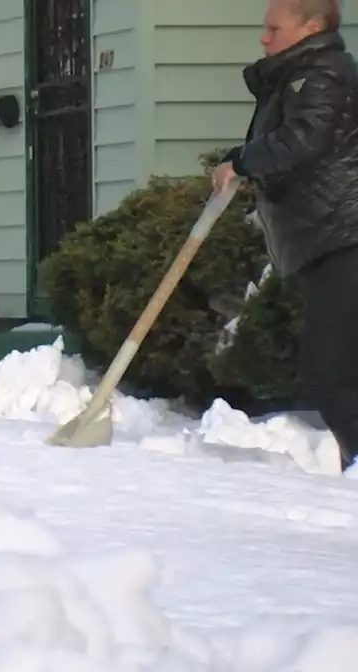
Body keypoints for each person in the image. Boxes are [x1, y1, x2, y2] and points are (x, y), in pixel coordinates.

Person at [211, 0, 358, 472]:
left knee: (329, 375)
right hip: (329, 239)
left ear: (312, 26)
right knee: (339, 374)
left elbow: (302, 140)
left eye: (274, 27)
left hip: (346, 238)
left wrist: (243, 161)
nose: (264, 37)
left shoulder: (324, 75)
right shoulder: (297, 77)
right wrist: (242, 157)